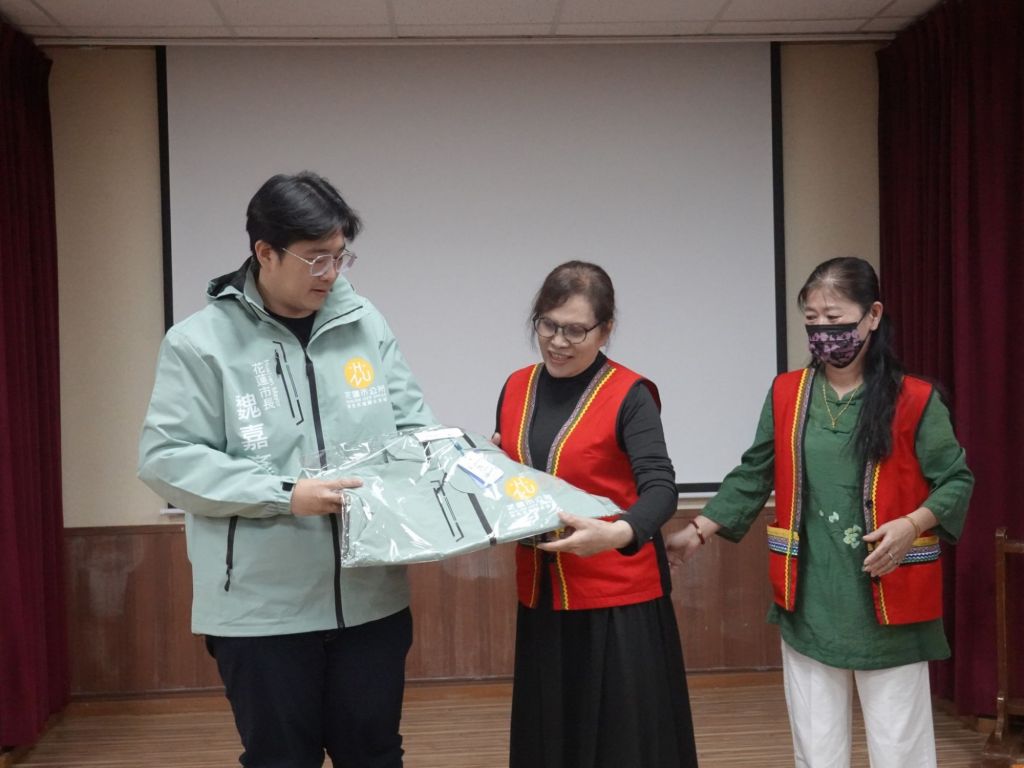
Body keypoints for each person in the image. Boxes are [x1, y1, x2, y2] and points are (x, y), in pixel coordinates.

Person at [138, 171, 434, 768]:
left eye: (340, 256)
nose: (332, 273)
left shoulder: (365, 322)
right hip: (261, 612)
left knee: (375, 754)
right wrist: (284, 493)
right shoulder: (199, 343)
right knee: (280, 759)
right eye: (316, 258)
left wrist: (457, 462)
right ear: (265, 252)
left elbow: (412, 428)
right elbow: (166, 458)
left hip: (369, 598)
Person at [666, 257, 973, 768]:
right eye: (812, 320)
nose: (823, 332)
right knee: (817, 746)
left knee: (899, 748)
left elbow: (957, 480)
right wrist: (698, 530)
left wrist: (912, 524)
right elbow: (755, 472)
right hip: (811, 596)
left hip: (890, 597)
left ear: (873, 316)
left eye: (835, 319)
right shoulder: (787, 393)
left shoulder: (915, 399)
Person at [494, 261, 699, 768]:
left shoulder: (630, 394)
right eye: (548, 325)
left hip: (617, 600)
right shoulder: (516, 387)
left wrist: (617, 534)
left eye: (575, 330)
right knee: (552, 740)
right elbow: (517, 475)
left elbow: (661, 489)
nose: (557, 342)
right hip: (543, 593)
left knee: (619, 746)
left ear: (605, 331)